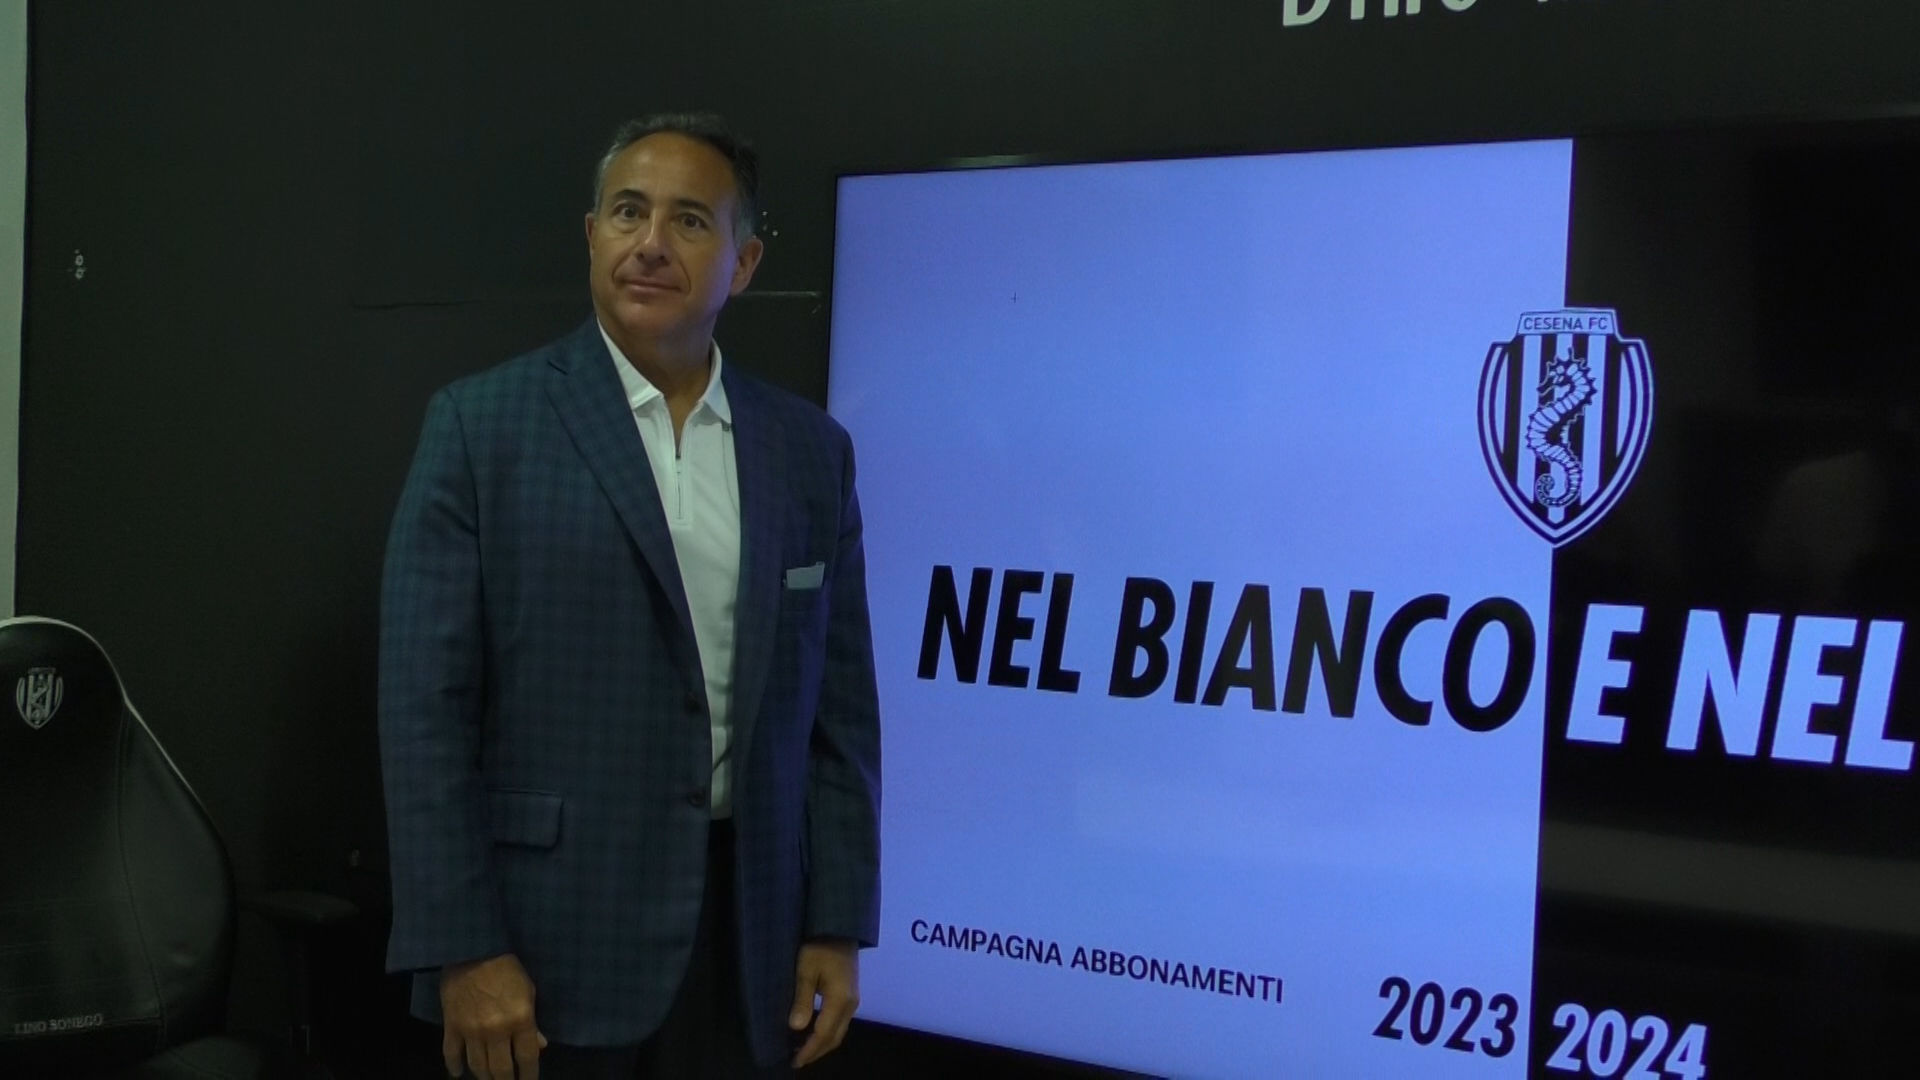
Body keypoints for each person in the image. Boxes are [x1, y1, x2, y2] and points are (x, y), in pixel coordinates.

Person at [377, 112, 882, 1079]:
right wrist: (463, 946)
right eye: (627, 212)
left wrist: (836, 921)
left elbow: (841, 713)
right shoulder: (482, 428)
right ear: (592, 234)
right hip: (544, 949)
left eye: (690, 220)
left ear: (744, 263)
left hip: (749, 949)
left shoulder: (811, 454)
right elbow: (422, 715)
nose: (650, 243)